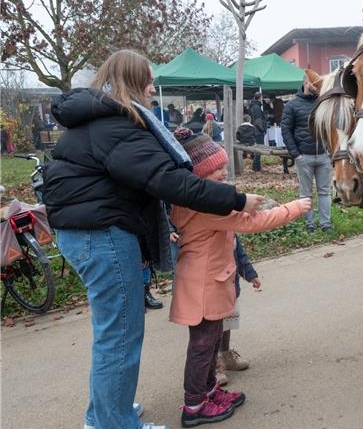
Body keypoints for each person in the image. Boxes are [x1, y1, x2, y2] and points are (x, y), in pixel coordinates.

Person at [43, 49, 265, 429]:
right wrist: (237, 199)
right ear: (131, 82)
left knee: (111, 332)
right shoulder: (118, 126)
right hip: (104, 237)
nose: (152, 87)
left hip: (84, 234)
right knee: (120, 336)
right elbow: (170, 182)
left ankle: (105, 414)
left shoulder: (96, 121)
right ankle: (114, 423)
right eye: (147, 79)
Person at [169, 127, 310, 427]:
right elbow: (252, 222)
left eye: (223, 165)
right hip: (205, 286)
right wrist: (294, 208)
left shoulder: (198, 200)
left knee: (208, 341)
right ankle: (194, 406)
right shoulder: (204, 205)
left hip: (208, 283)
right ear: (197, 174)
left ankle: (208, 392)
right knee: (203, 345)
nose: (223, 171)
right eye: (215, 168)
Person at [281, 75, 333, 233]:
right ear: (305, 82)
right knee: (306, 193)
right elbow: (286, 130)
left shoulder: (323, 102)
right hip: (304, 156)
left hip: (324, 155)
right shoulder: (292, 105)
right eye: (313, 83)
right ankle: (310, 224)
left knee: (325, 191)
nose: (317, 86)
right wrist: (296, 154)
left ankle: (326, 224)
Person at [214, 235, 260, 386]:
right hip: (212, 290)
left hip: (230, 287)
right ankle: (214, 364)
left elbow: (240, 256)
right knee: (213, 328)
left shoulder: (230, 231)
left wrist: (251, 275)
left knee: (227, 322)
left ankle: (225, 355)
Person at [248, 95, 267, 171]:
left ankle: (256, 167)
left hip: (254, 130)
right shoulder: (257, 107)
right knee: (259, 149)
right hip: (258, 131)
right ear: (260, 98)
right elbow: (258, 121)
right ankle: (256, 167)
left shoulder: (253, 106)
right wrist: (262, 129)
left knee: (257, 149)